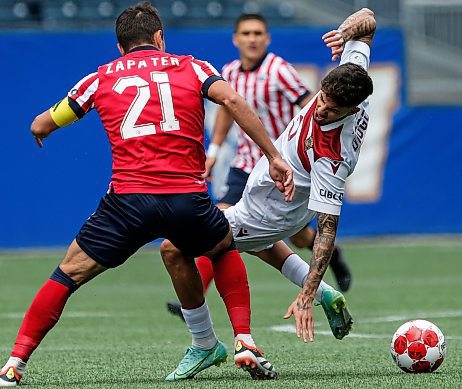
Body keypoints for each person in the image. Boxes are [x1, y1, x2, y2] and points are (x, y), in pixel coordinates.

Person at [0, 2, 295, 386]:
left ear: (120, 47)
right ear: (159, 38)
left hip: (127, 203)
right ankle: (244, 340)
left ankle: (14, 364)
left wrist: (41, 129)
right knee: (221, 247)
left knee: (67, 273)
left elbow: (43, 121)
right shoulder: (194, 66)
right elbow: (233, 101)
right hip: (186, 198)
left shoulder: (99, 78)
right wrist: (273, 156)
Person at [162, 7, 376, 345]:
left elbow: (326, 230)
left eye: (333, 111)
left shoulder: (331, 155)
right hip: (263, 180)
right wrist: (347, 31)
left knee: (177, 247)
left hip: (274, 209)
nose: (320, 109)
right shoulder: (352, 78)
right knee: (262, 247)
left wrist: (304, 298)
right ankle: (327, 294)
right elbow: (368, 20)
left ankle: (209, 343)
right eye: (322, 99)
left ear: (352, 110)